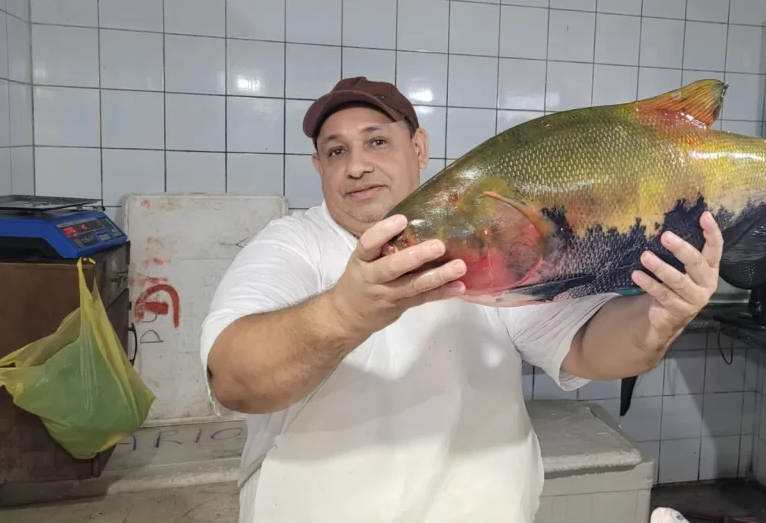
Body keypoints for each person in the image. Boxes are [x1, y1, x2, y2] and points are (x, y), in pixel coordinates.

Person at [200, 76, 725, 523]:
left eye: (377, 142)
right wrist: (346, 310)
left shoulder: (486, 238)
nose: (356, 165)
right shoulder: (291, 244)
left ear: (419, 149)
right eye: (336, 151)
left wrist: (661, 316)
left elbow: (587, 346)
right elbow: (233, 379)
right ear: (319, 169)